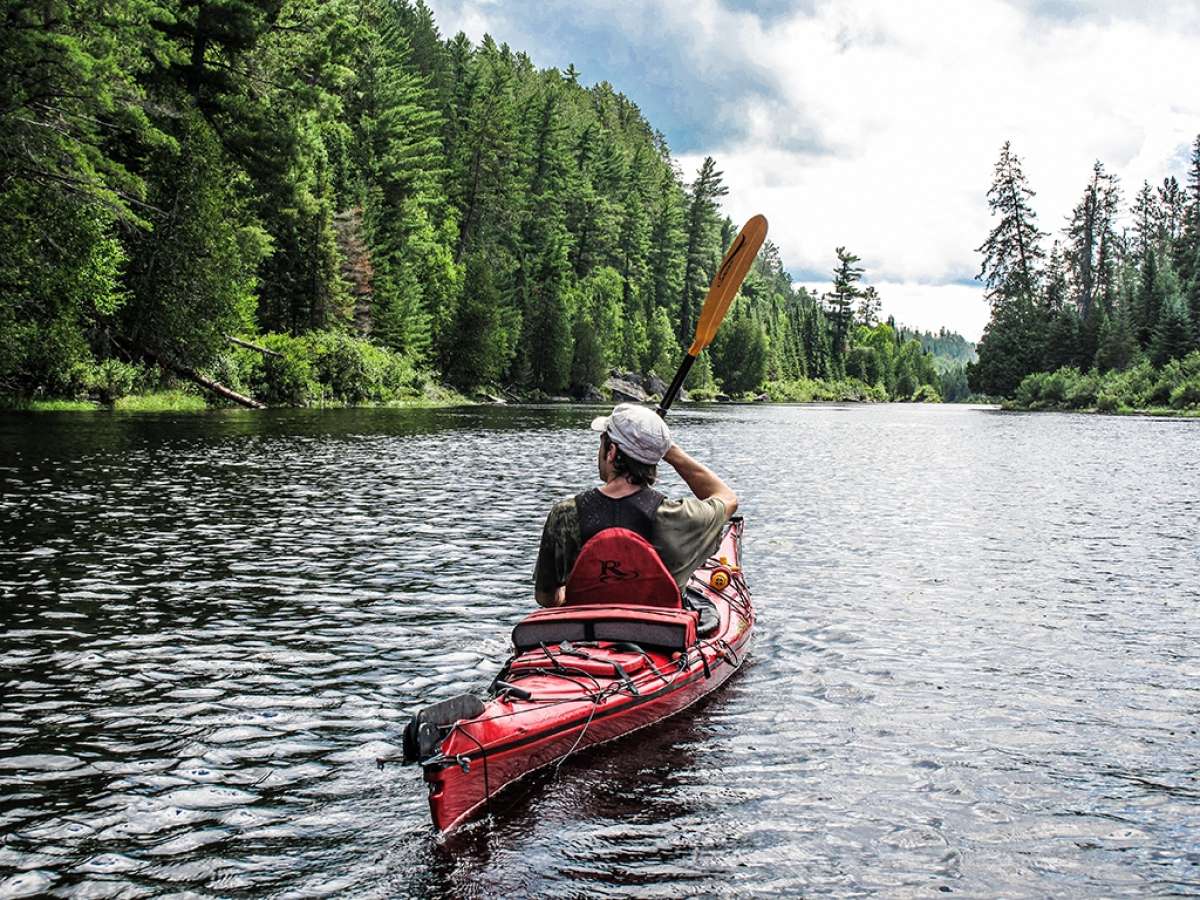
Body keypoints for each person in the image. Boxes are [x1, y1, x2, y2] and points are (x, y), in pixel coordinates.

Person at [533, 403, 738, 608]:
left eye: (602, 442)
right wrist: (668, 450)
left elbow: (545, 598)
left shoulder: (565, 514)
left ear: (611, 451)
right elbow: (728, 498)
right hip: (660, 633)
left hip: (585, 634)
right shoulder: (681, 517)